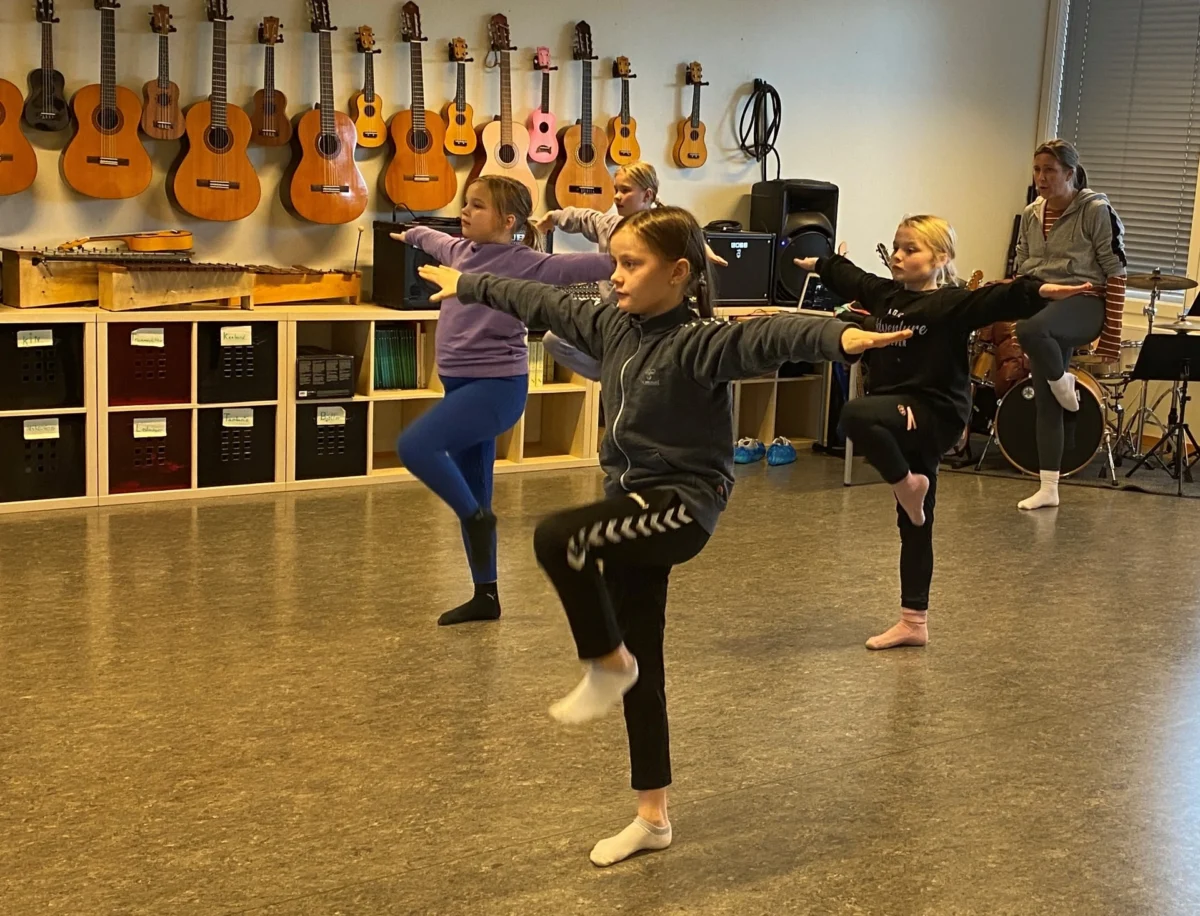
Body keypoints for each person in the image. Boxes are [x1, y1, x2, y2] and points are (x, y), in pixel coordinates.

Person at [417, 206, 910, 867]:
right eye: (615, 262)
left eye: (631, 264)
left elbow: (768, 337)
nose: (615, 277)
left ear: (679, 274)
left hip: (682, 505)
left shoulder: (700, 342)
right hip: (631, 502)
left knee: (558, 537)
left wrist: (839, 338)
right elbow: (535, 295)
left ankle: (606, 662)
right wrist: (467, 284)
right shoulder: (612, 325)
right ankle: (652, 815)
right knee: (645, 663)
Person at [796, 216, 1092, 650]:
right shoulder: (886, 295)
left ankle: (907, 482)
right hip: (899, 410)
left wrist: (1044, 291)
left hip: (936, 411)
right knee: (914, 521)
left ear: (940, 258)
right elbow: (853, 277)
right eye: (896, 247)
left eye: (910, 249)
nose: (898, 256)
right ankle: (914, 621)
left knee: (854, 417)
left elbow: (1000, 297)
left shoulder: (953, 304)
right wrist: (821, 264)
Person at [391, 175, 613, 626]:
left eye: (476, 206)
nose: (464, 212)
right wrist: (408, 232)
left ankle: (474, 518)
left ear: (508, 220)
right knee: (476, 489)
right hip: (457, 386)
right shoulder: (458, 251)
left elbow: (594, 266)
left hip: (496, 389)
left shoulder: (530, 263)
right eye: (465, 204)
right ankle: (485, 595)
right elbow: (432, 239)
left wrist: (655, 250)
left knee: (416, 447)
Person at [1013, 139, 1127, 511]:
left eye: (1049, 170)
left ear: (1070, 173)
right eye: (1036, 170)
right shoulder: (1031, 213)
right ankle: (1049, 488)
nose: (1041, 178)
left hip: (1085, 303)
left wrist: (1110, 339)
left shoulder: (1095, 209)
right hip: (1044, 301)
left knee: (1029, 332)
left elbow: (1116, 272)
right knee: (1046, 401)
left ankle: (1065, 380)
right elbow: (1022, 263)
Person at [536, 161, 726, 380]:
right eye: (616, 189)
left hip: (646, 321)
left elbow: (686, 235)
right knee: (554, 339)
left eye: (625, 190)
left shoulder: (664, 229)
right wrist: (553, 218)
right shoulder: (608, 224)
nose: (617, 197)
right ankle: (615, 373)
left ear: (647, 195)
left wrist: (704, 248)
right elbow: (582, 217)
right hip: (613, 318)